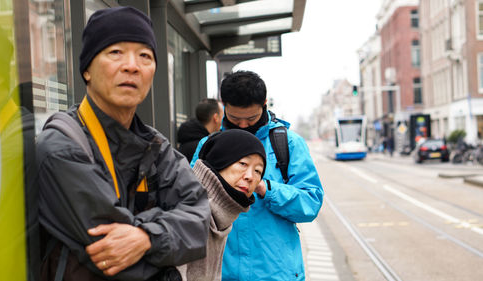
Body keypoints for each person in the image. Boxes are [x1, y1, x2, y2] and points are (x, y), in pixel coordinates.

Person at [36, 6, 210, 281]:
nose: (132, 65)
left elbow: (200, 222)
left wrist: (145, 238)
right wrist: (166, 232)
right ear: (87, 70)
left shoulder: (155, 145)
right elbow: (109, 251)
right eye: (115, 52)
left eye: (145, 56)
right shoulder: (62, 146)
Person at [190, 70, 324, 281]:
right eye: (235, 118)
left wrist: (267, 189)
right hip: (221, 271)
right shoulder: (208, 145)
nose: (243, 125)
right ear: (224, 105)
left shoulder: (288, 143)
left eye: (251, 118)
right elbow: (190, 201)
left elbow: (311, 203)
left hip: (275, 273)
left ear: (264, 104)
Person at [178, 129, 266, 281]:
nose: (250, 176)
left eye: (258, 171)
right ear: (220, 159)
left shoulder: (221, 215)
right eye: (243, 163)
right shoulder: (187, 211)